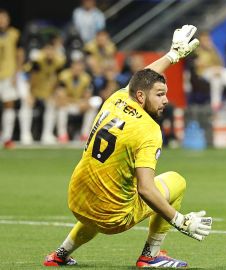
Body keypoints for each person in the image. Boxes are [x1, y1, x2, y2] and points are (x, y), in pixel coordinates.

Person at [43, 25, 212, 268]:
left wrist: (173, 56)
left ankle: (60, 253)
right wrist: (180, 221)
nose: (166, 100)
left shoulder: (116, 98)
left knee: (106, 188)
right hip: (112, 218)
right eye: (160, 94)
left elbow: (140, 79)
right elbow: (146, 189)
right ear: (142, 97)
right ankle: (150, 256)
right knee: (176, 181)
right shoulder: (149, 130)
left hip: (76, 200)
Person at [0, 9, 23, 149]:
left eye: (4, 18)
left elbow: (20, 53)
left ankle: (7, 137)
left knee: (9, 104)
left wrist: (17, 73)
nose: (2, 21)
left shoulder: (15, 34)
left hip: (9, 74)